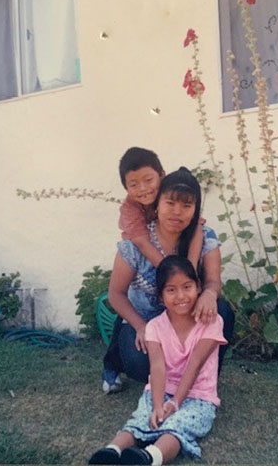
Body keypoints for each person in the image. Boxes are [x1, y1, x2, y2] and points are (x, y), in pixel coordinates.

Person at [102, 167, 234, 393]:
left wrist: (210, 294)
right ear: (157, 205)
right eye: (170, 203)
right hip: (147, 321)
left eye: (186, 205)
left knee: (222, 311)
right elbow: (116, 294)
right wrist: (142, 327)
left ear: (195, 209)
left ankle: (201, 381)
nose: (177, 212)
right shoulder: (136, 242)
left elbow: (213, 281)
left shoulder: (205, 237)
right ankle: (123, 364)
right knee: (141, 364)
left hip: (186, 323)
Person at [89, 256, 226, 465]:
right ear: (161, 297)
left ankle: (149, 457)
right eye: (171, 290)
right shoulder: (154, 327)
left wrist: (176, 402)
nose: (181, 296)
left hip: (199, 395)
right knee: (140, 421)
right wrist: (158, 404)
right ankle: (111, 451)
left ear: (198, 287)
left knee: (177, 427)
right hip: (160, 391)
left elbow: (195, 363)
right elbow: (158, 367)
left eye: (187, 287)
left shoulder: (211, 321)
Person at [118, 148, 203, 271]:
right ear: (126, 188)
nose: (142, 188)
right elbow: (142, 243)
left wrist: (190, 273)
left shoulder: (169, 190)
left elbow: (196, 224)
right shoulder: (129, 208)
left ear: (162, 175)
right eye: (133, 185)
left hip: (175, 243)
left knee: (198, 226)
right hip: (146, 255)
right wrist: (172, 275)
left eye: (148, 180)